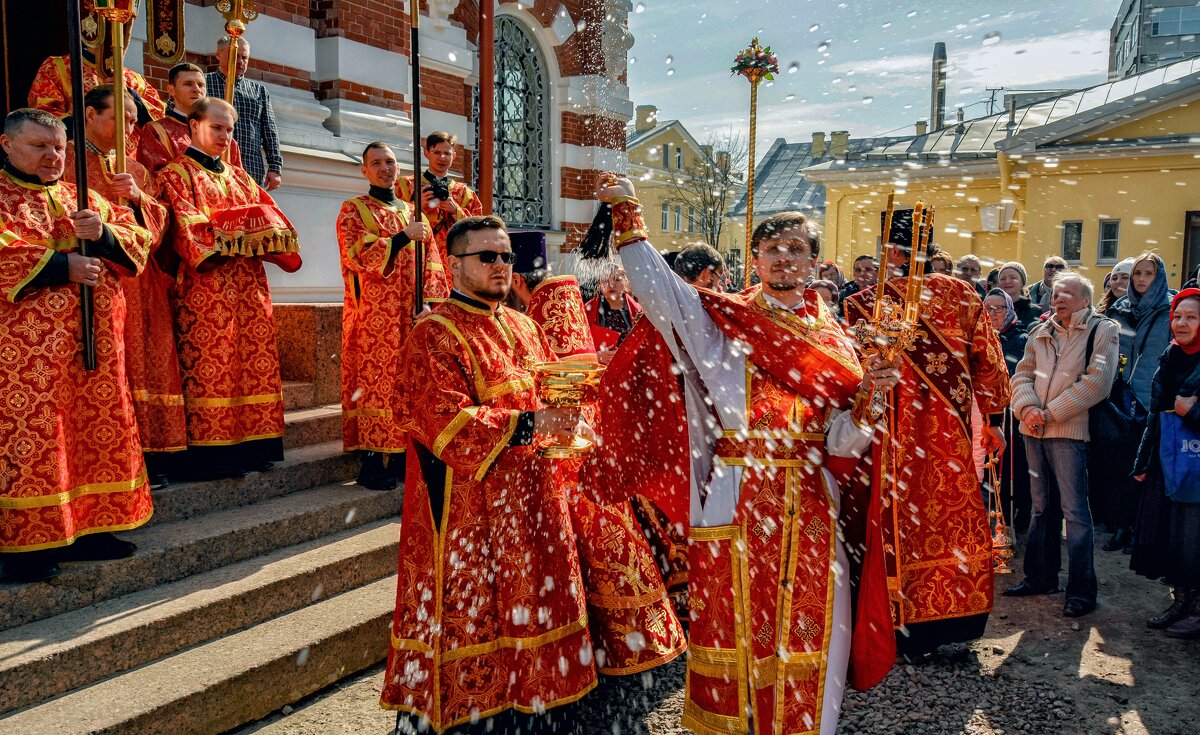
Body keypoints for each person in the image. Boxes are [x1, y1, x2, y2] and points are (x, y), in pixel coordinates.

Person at [595, 174, 901, 734]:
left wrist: (871, 403)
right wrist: (629, 219)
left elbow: (840, 444)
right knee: (732, 625)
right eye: (772, 249)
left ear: (813, 261)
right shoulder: (724, 324)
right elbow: (662, 294)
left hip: (811, 495)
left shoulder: (837, 343)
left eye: (797, 249)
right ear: (754, 259)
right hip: (735, 490)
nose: (784, 259)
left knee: (816, 626)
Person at [381, 215, 600, 732]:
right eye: (488, 257)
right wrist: (535, 423)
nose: (502, 266)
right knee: (477, 609)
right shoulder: (434, 333)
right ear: (455, 264)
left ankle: (539, 699)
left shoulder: (524, 324)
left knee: (535, 598)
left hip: (534, 498)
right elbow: (444, 421)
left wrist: (576, 404)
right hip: (470, 507)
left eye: (506, 257)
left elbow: (551, 395)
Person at [843, 212, 1012, 658]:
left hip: (887, 435)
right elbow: (991, 365)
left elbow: (848, 375)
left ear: (890, 251)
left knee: (895, 517)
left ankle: (896, 620)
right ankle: (952, 618)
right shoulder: (961, 294)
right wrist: (992, 419)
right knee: (948, 519)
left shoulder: (863, 303)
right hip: (946, 438)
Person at [0, 108, 153, 582]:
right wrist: (60, 267)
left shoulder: (82, 196)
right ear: (7, 145)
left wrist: (104, 235)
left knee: (95, 431)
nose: (51, 157)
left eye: (59, 148)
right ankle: (27, 543)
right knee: (37, 440)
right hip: (27, 354)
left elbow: (139, 241)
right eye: (38, 147)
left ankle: (94, 527)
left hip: (96, 347)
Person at [156, 97, 301, 480]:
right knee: (212, 366)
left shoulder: (240, 177)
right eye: (216, 127)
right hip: (206, 287)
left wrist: (238, 227)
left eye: (229, 129)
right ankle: (215, 454)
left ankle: (254, 444)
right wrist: (242, 227)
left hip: (249, 285)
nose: (224, 136)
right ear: (192, 127)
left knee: (253, 362)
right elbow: (190, 229)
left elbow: (275, 222)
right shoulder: (176, 174)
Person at [65, 86, 182, 488]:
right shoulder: (64, 158)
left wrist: (137, 198)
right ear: (90, 115)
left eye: (134, 119)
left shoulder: (134, 168)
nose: (130, 126)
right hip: (92, 278)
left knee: (146, 359)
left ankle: (152, 451)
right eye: (122, 117)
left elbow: (160, 225)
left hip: (137, 278)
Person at [1007, 272, 1119, 618]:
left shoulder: (1103, 330)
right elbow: (1021, 374)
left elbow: (1098, 382)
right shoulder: (1041, 331)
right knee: (1042, 508)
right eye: (1056, 293)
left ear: (1085, 300)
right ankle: (1040, 577)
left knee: (1075, 513)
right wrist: (1027, 409)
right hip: (1034, 431)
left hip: (1069, 432)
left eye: (1069, 293)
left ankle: (1081, 591)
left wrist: (1049, 413)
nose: (1060, 297)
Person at [336, 142, 438, 491]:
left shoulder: (415, 213)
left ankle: (400, 457)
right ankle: (371, 461)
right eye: (376, 163)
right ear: (364, 170)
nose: (385, 168)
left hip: (411, 312)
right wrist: (400, 238)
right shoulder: (354, 209)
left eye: (391, 162)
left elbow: (433, 265)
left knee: (407, 382)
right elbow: (355, 254)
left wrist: (431, 305)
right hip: (374, 317)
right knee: (376, 383)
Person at [1132, 289, 1200, 639]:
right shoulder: (1171, 355)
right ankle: (1181, 600)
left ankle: (1197, 608)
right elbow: (1156, 415)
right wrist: (1144, 460)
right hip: (1168, 458)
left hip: (1196, 464)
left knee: (1193, 538)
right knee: (1172, 536)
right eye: (1178, 316)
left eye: (1191, 317)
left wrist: (1195, 411)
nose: (1181, 323)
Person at [1110, 253, 1174, 554]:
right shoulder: (1121, 310)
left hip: (1155, 398)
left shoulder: (1170, 309)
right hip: (1123, 398)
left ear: (1158, 277)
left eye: (1148, 273)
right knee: (1123, 466)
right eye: (1137, 273)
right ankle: (1122, 526)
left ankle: (1144, 533)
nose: (1141, 279)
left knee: (1148, 469)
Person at [27, 31, 165, 124]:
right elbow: (44, 115)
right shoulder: (58, 67)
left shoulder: (135, 80)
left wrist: (131, 95)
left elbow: (159, 120)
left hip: (128, 162)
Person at [137, 62, 243, 174]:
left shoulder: (227, 139)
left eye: (201, 85)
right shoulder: (157, 131)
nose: (196, 89)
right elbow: (153, 178)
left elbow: (239, 180)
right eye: (188, 84)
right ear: (171, 90)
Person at [984, 288, 1031, 535]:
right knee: (989, 468)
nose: (992, 314)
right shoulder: (978, 339)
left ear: (1009, 309)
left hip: (1012, 415)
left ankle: (1019, 514)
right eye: (987, 308)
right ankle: (995, 516)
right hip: (986, 415)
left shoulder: (1021, 339)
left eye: (998, 308)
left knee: (1016, 468)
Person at [205, 37, 282, 190]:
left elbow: (270, 131)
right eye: (235, 55)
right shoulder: (203, 84)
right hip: (211, 163)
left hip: (250, 167)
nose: (240, 61)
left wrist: (275, 167)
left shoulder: (258, 91)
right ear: (218, 54)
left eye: (244, 57)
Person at [397, 131, 483, 266]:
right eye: (436, 152)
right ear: (426, 154)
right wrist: (416, 205)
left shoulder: (465, 193)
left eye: (447, 153)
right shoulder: (405, 185)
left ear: (454, 156)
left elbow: (480, 231)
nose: (442, 158)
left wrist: (456, 211)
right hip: (416, 259)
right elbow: (391, 220)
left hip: (452, 263)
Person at [997, 261, 1045, 331]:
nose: (1007, 281)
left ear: (1022, 282)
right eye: (1002, 279)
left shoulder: (1035, 311)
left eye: (1013, 278)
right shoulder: (992, 310)